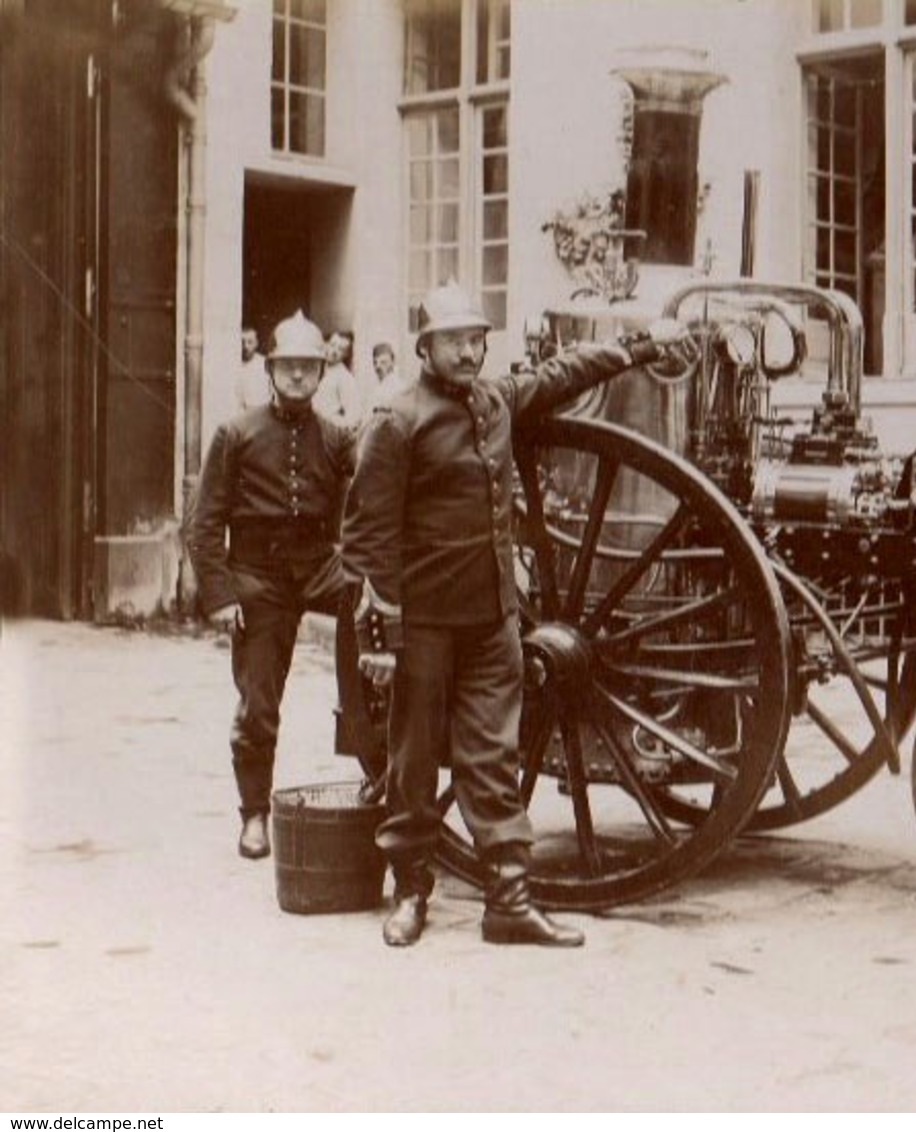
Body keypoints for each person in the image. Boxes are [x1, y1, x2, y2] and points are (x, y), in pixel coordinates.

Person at [342, 282, 688, 948]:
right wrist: (379, 638)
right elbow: (366, 536)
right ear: (425, 346)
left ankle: (508, 902)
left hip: (494, 618)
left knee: (493, 757)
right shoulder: (397, 418)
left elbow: (561, 374)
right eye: (455, 341)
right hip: (423, 623)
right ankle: (411, 894)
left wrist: (640, 346)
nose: (470, 352)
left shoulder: (494, 402)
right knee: (413, 761)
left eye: (477, 340)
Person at [185, 310, 378, 859]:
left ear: (323, 374)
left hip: (318, 566)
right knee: (259, 702)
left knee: (370, 594)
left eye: (308, 369)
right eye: (288, 368)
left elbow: (369, 468)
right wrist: (221, 596)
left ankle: (366, 722)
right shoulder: (236, 433)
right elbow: (202, 523)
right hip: (257, 579)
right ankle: (254, 816)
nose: (298, 378)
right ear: (270, 370)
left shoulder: (336, 435)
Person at [313, 328, 364, 427]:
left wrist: (331, 422)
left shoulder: (345, 378)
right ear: (326, 344)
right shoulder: (316, 370)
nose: (334, 351)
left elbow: (354, 418)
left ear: (346, 354)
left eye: (340, 349)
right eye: (332, 345)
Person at [232, 326, 269, 412]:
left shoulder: (264, 364)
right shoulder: (233, 364)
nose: (245, 346)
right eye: (242, 342)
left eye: (250, 342)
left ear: (256, 343)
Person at [368, 341, 404, 409]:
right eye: (375, 363)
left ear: (393, 362)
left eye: (383, 362)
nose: (378, 367)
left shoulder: (399, 387)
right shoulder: (378, 388)